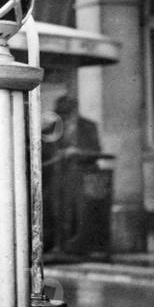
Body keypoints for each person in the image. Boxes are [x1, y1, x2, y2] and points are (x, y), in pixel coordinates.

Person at [42, 95, 102, 254]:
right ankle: (59, 245)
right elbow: (44, 150)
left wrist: (78, 152)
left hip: (81, 176)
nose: (65, 118)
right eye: (62, 114)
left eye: (67, 114)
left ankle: (77, 246)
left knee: (79, 212)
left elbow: (96, 151)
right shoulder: (53, 128)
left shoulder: (89, 126)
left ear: (75, 111)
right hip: (58, 176)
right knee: (57, 211)